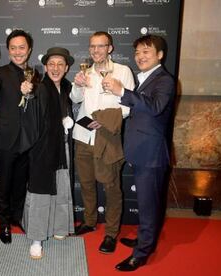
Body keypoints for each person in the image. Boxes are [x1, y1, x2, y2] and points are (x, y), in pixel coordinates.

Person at [103, 34, 176, 271]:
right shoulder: (146, 78)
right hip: (140, 151)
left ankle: (142, 252)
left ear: (160, 55)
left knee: (148, 205)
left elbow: (154, 108)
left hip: (152, 155)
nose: (140, 56)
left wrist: (122, 91)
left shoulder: (164, 79)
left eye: (146, 51)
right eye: (137, 52)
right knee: (146, 204)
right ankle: (145, 240)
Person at [70, 31, 134, 254]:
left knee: (112, 187)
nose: (96, 50)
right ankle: (89, 221)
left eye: (101, 46)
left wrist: (101, 121)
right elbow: (75, 99)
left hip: (106, 137)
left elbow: (127, 107)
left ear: (110, 48)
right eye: (92, 46)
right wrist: (77, 85)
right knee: (86, 183)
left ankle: (111, 233)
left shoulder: (123, 72)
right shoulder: (85, 72)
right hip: (83, 136)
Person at [0, 29, 39, 244]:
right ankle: (4, 223)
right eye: (13, 48)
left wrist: (31, 93)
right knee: (4, 184)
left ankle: (17, 217)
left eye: (21, 47)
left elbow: (36, 104)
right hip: (7, 138)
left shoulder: (35, 73)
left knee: (21, 183)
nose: (18, 52)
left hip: (28, 139)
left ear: (29, 49)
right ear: (8, 50)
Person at [21, 47, 75, 259]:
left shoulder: (67, 87)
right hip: (42, 150)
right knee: (41, 194)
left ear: (66, 67)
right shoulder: (41, 88)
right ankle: (36, 239)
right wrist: (27, 94)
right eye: (51, 64)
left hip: (62, 149)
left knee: (61, 189)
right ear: (45, 67)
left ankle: (59, 227)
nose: (55, 68)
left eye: (60, 64)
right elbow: (30, 107)